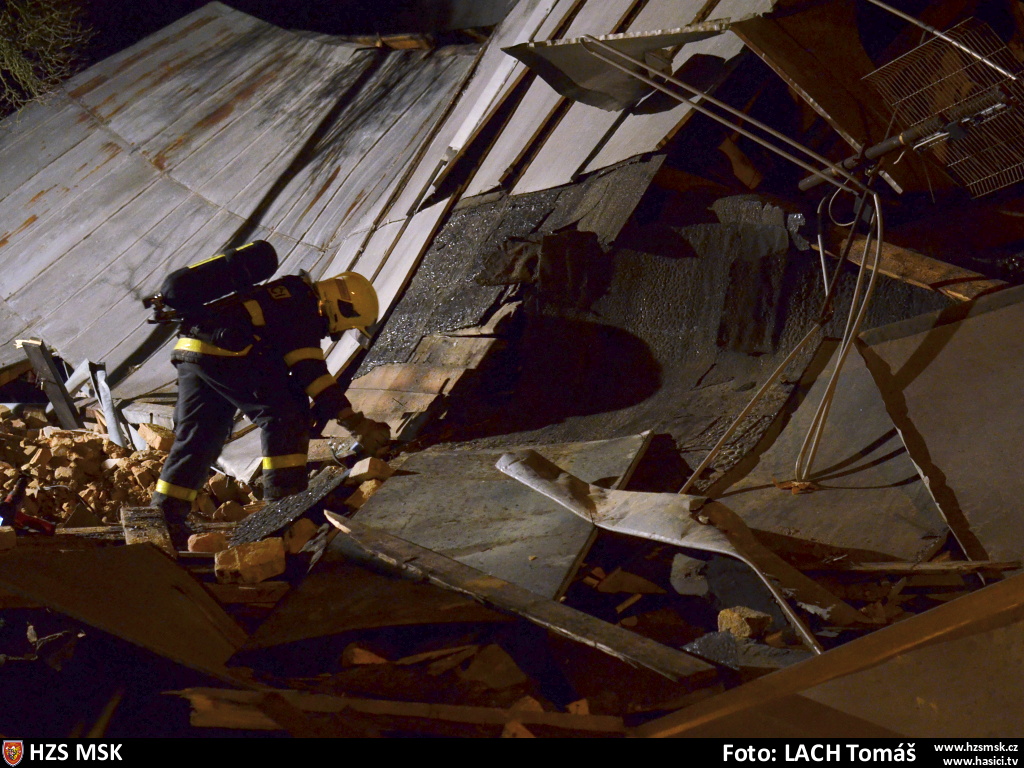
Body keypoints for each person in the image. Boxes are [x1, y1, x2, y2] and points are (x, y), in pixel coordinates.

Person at [148, 240, 390, 540]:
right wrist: (354, 423)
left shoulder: (288, 293)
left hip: (193, 351)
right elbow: (312, 374)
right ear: (341, 308)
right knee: (285, 415)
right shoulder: (303, 308)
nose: (336, 333)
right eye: (345, 326)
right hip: (226, 352)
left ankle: (163, 517)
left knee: (200, 435)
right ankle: (284, 509)